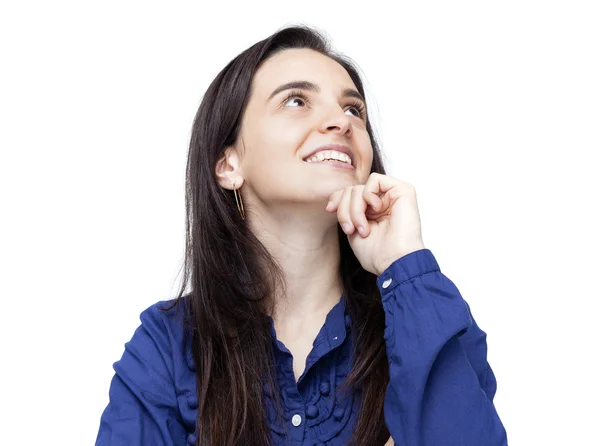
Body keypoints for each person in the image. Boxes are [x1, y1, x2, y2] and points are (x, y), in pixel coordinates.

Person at [95, 24, 508, 446]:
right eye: (296, 101)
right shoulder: (168, 345)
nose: (340, 122)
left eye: (353, 110)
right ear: (229, 163)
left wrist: (401, 260)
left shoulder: (424, 314)